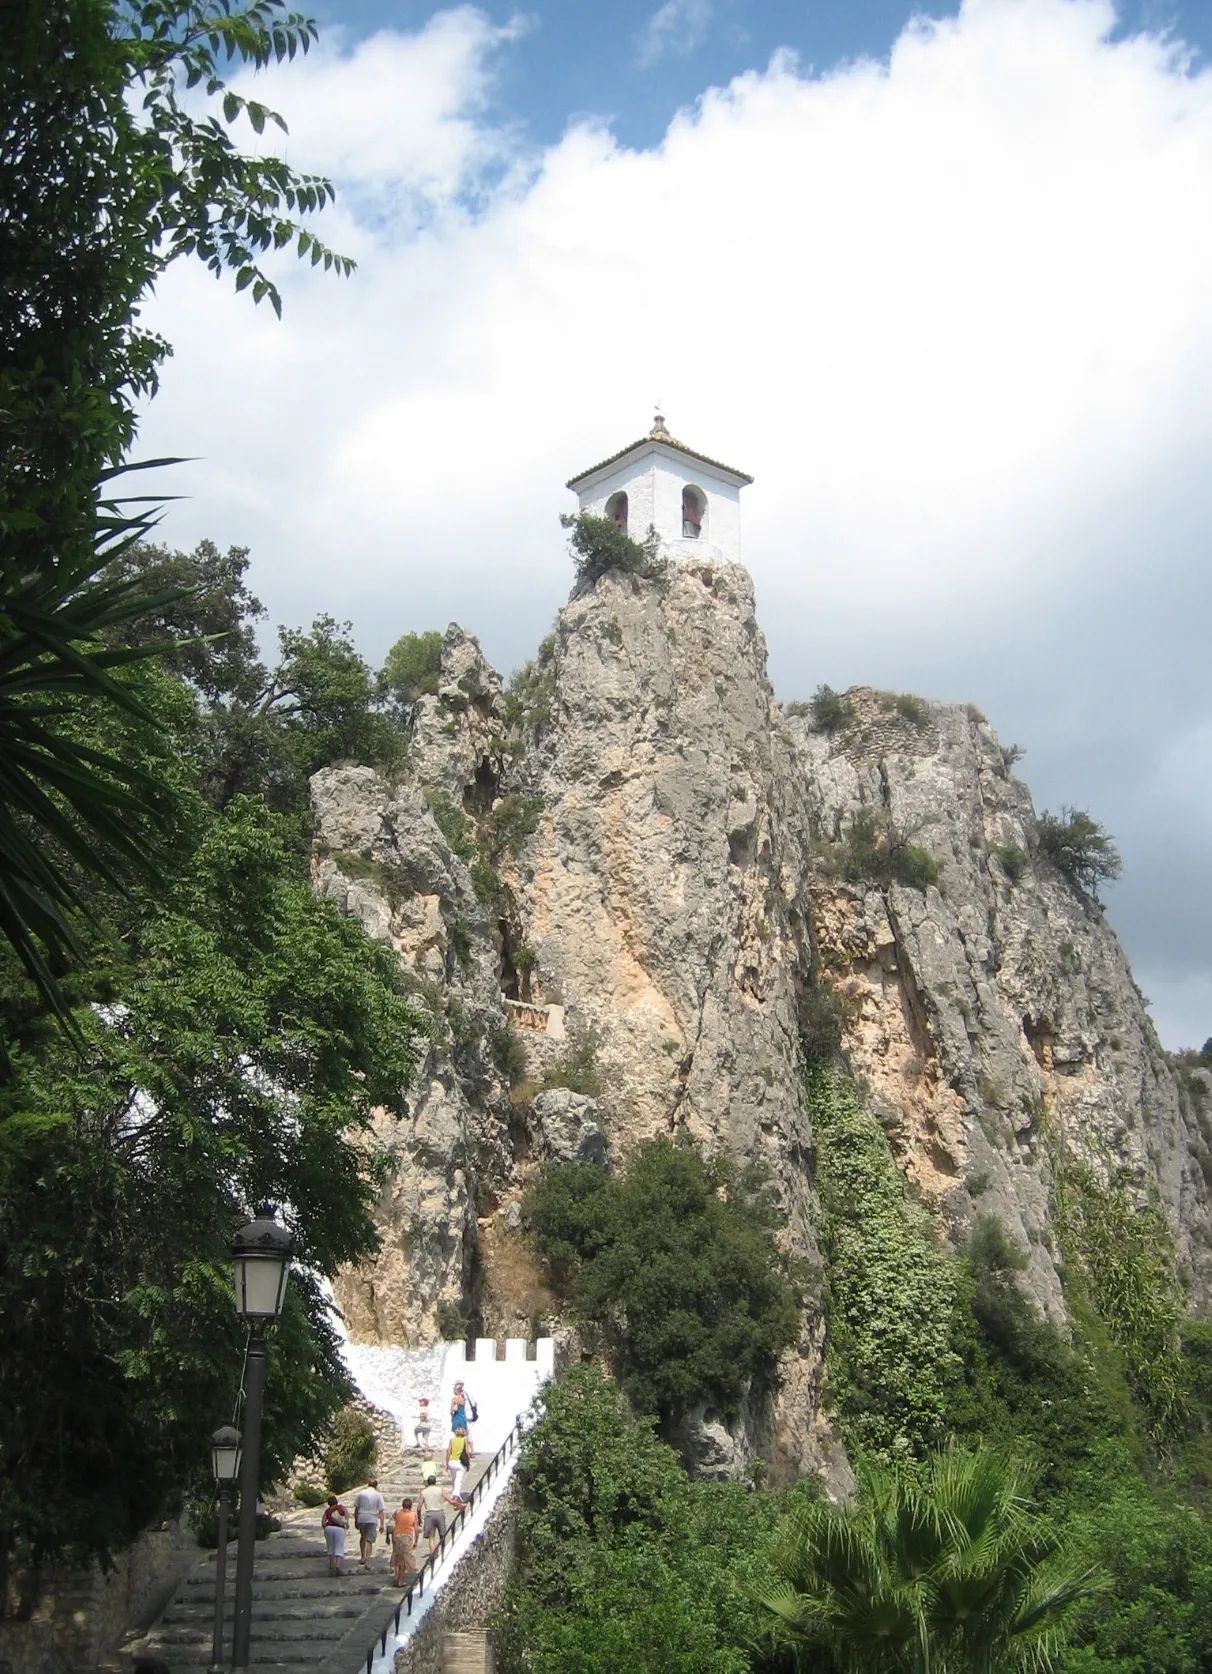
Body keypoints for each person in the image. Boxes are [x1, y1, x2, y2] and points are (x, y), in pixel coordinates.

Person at [353, 1477, 386, 1570]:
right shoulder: (378, 1495)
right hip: (372, 1519)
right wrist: (382, 1524)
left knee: (362, 1537)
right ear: (376, 1486)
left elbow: (356, 1508)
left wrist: (356, 1520)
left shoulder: (361, 1493)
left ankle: (362, 1557)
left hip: (361, 1517)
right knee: (369, 1541)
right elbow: (381, 1511)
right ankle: (367, 1561)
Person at [420, 1473, 456, 1556]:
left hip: (429, 1514)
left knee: (431, 1537)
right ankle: (443, 1552)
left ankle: (434, 1555)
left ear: (428, 1482)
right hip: (439, 1513)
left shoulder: (423, 1492)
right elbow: (450, 1500)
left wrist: (419, 1517)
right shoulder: (440, 1490)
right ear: (435, 1482)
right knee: (442, 1535)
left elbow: (419, 1507)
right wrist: (458, 1505)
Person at [391, 1498, 419, 1585]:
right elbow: (416, 1530)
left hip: (397, 1536)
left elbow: (394, 1521)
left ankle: (396, 1577)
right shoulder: (413, 1515)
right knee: (404, 1559)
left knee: (397, 1557)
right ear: (411, 1506)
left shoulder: (398, 1513)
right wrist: (416, 1541)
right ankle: (401, 1580)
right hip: (407, 1537)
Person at [445, 1423, 473, 1504]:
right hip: (460, 1463)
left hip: (451, 1462)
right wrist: (468, 1464)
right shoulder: (464, 1440)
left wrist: (447, 1463)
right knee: (458, 1480)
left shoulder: (452, 1440)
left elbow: (448, 1452)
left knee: (454, 1479)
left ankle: (453, 1495)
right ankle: (456, 1498)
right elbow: (467, 1452)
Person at [322, 1495, 349, 1577]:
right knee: (339, 1547)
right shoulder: (341, 1507)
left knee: (330, 1546)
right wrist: (346, 1523)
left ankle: (331, 1564)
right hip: (339, 1529)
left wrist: (325, 1527)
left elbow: (323, 1522)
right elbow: (347, 1515)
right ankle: (337, 1565)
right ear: (336, 1501)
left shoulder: (327, 1511)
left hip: (329, 1528)